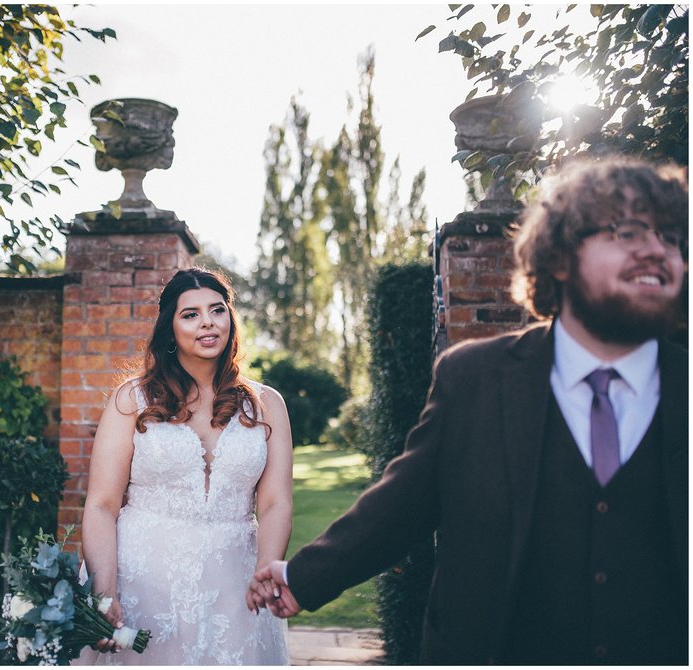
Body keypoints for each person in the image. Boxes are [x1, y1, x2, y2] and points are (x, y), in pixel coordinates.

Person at [250, 156, 688, 664]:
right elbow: (404, 505)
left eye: (673, 238)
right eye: (630, 232)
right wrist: (304, 578)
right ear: (561, 257)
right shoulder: (476, 379)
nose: (658, 251)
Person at [81, 267, 293, 665]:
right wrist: (105, 591)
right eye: (190, 314)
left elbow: (275, 503)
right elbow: (102, 505)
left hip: (237, 584)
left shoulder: (267, 405)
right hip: (145, 581)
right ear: (169, 328)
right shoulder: (133, 400)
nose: (207, 322)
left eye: (217, 310)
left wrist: (265, 571)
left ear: (231, 318)